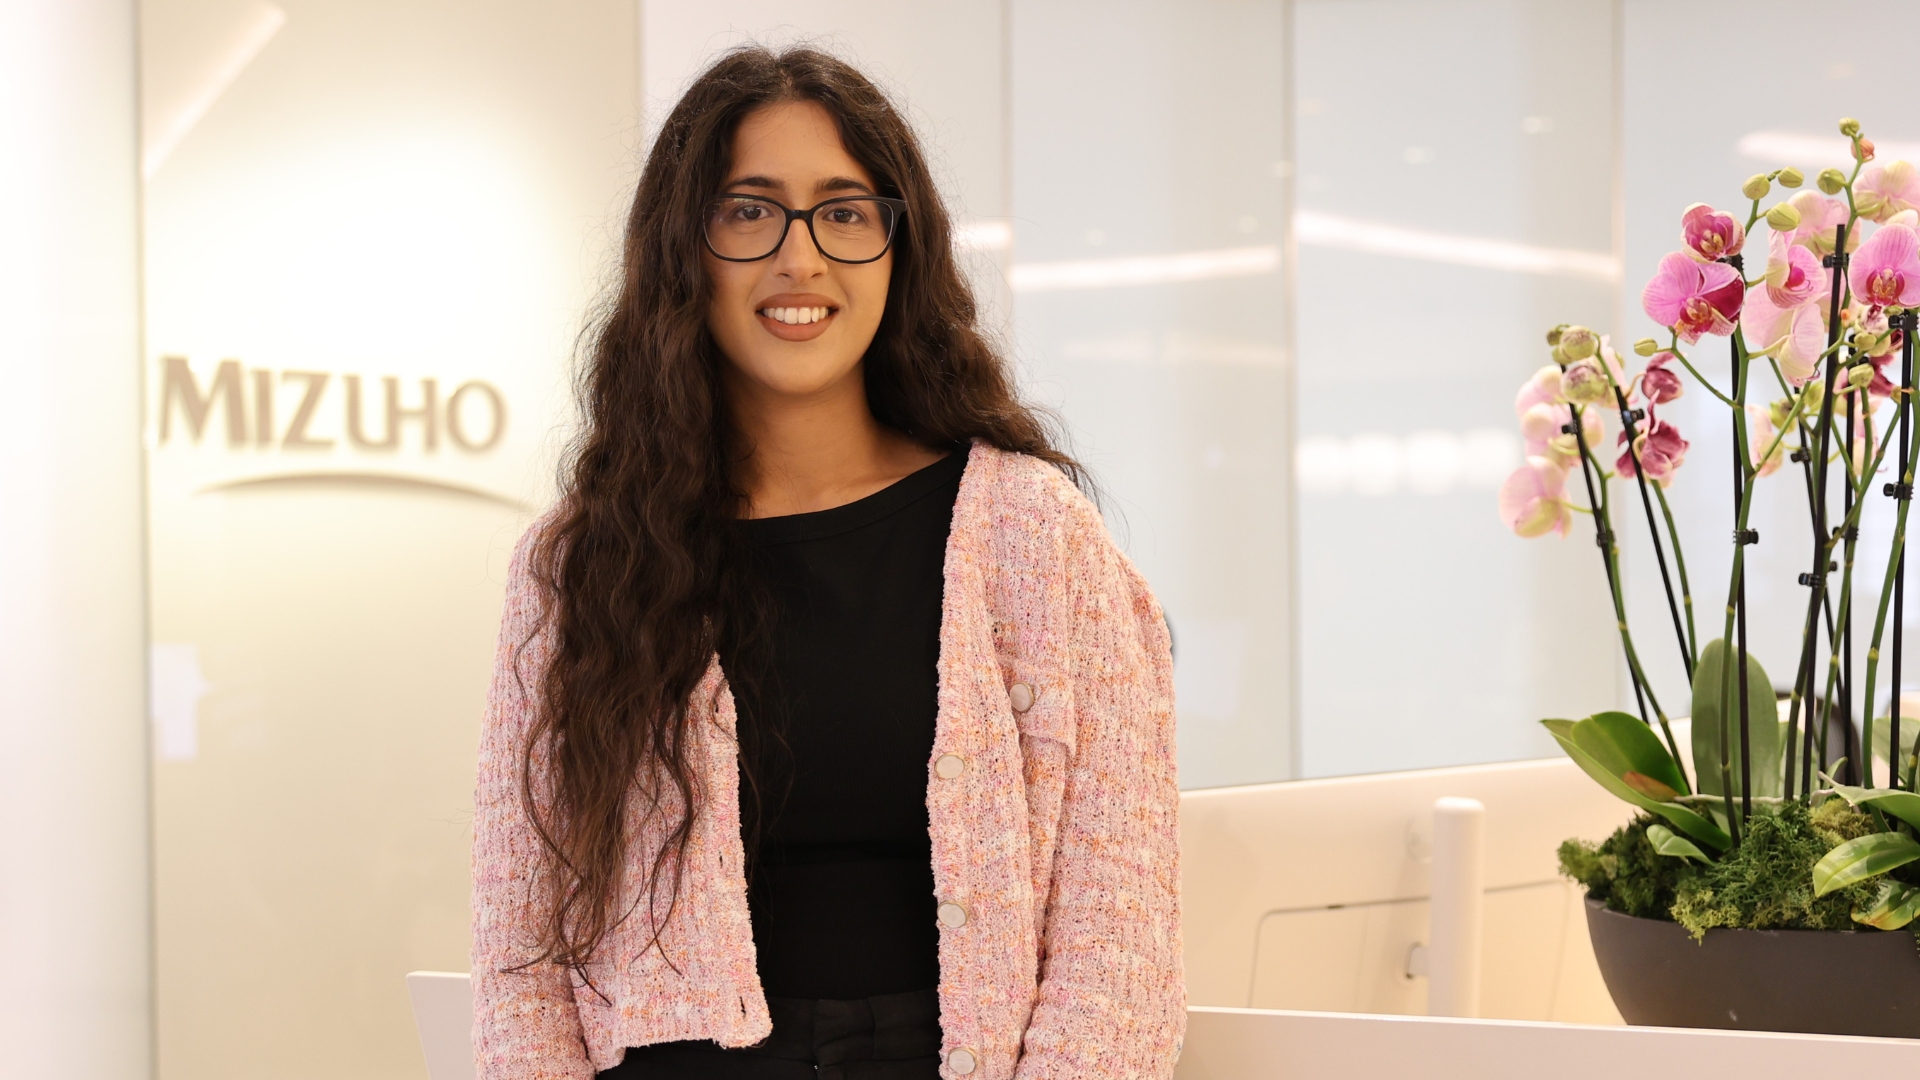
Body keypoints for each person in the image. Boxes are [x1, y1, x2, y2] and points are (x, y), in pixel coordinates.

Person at [470, 45, 1182, 1080]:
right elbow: (520, 952)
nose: (800, 258)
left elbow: (1117, 938)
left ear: (900, 249)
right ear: (683, 250)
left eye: (844, 213)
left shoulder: (1034, 535)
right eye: (748, 211)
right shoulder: (581, 561)